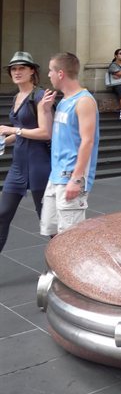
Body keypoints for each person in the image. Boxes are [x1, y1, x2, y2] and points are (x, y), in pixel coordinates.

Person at [40, 52, 100, 236]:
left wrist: (76, 179)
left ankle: (71, 265)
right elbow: (51, 134)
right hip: (56, 175)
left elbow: (87, 141)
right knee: (52, 230)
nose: (48, 74)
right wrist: (45, 111)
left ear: (60, 73)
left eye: (51, 70)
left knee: (70, 237)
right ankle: (55, 266)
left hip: (71, 176)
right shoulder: (64, 101)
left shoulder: (84, 101)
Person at [0, 52, 54, 253]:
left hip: (39, 165)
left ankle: (67, 265)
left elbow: (45, 132)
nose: (17, 72)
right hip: (18, 166)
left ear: (32, 71)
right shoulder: (17, 96)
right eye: (13, 69)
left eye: (22, 68)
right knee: (2, 214)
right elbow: (22, 131)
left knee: (48, 221)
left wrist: (12, 130)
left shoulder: (40, 96)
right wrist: (6, 139)